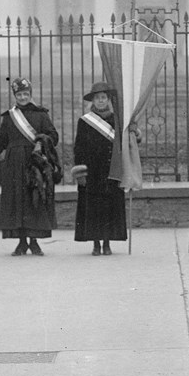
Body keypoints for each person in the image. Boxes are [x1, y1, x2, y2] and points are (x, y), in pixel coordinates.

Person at [0, 78, 61, 256]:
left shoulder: (41, 115)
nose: (23, 97)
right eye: (19, 94)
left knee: (35, 199)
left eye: (26, 94)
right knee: (17, 201)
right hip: (14, 164)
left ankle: (34, 242)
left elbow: (53, 136)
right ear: (15, 96)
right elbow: (1, 142)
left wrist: (43, 140)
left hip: (34, 162)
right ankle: (21, 243)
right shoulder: (9, 117)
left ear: (31, 95)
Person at [73, 81, 127, 256]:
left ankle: (107, 242)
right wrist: (81, 171)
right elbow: (79, 147)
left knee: (110, 206)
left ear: (108, 100)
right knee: (94, 208)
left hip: (111, 168)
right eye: (97, 98)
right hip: (92, 170)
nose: (101, 101)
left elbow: (125, 144)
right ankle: (96, 243)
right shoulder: (85, 121)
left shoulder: (117, 120)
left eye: (103, 98)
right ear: (93, 101)